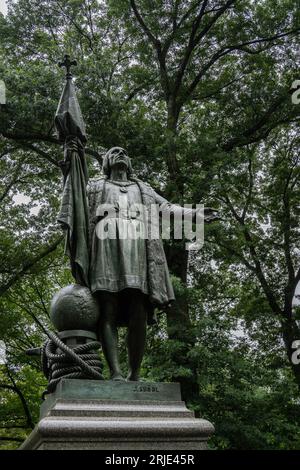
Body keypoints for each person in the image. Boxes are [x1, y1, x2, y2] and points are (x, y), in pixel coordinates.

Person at [59, 145, 216, 381]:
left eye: (124, 152)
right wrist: (70, 161)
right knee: (107, 310)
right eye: (113, 152)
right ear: (106, 163)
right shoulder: (95, 187)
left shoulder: (144, 189)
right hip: (106, 251)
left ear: (130, 163)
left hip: (139, 254)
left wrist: (195, 214)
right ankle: (116, 373)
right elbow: (74, 194)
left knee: (139, 311)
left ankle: (135, 373)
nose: (120, 153)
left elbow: (168, 208)